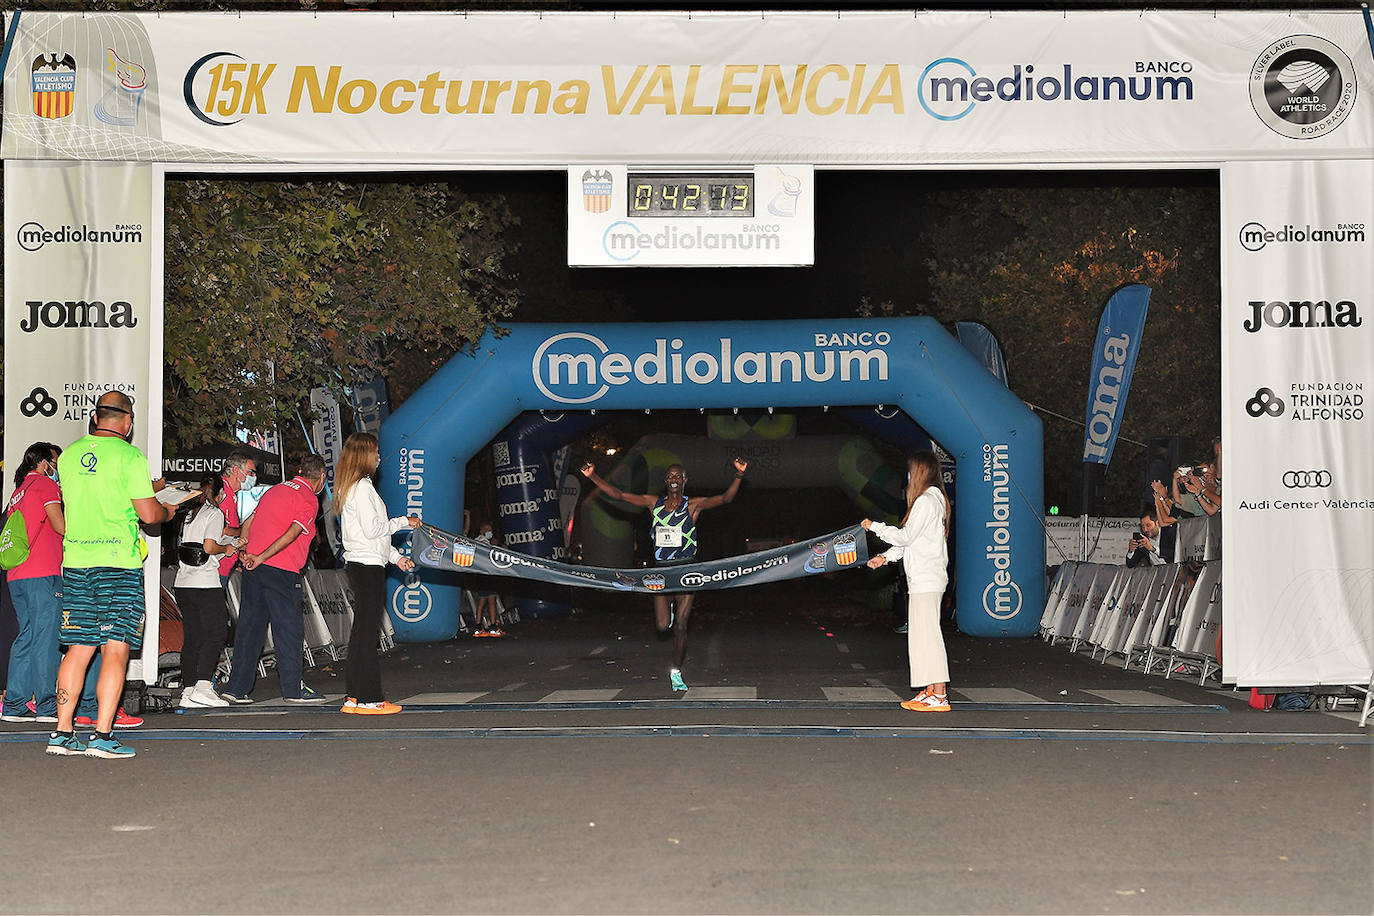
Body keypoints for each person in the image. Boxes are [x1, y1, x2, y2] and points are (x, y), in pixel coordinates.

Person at [50, 392, 181, 758]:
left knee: (77, 649)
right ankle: (102, 735)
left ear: (95, 418)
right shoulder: (130, 456)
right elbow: (149, 514)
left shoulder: (70, 455)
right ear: (127, 422)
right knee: (116, 649)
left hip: (76, 561)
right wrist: (167, 511)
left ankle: (62, 733)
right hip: (118, 565)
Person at [580, 456, 747, 692]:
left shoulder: (693, 505)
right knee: (661, 627)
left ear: (685, 480)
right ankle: (666, 610)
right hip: (661, 571)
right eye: (670, 477)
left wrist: (739, 475)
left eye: (678, 476)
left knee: (680, 626)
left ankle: (676, 671)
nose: (674, 480)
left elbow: (725, 498)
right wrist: (593, 476)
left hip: (687, 569)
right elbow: (619, 496)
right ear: (665, 481)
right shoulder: (653, 503)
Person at [220, 454, 330, 705]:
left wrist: (246, 551)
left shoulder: (275, 490)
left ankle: (236, 687)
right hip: (280, 568)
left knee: (251, 627)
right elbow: (293, 532)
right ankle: (293, 688)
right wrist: (261, 556)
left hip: (254, 569)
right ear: (321, 477)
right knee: (288, 628)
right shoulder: (308, 497)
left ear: (300, 471)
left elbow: (248, 520)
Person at [334, 433, 420, 715]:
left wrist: (396, 558)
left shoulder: (352, 487)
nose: (378, 457)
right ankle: (371, 698)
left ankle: (354, 696)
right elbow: (375, 530)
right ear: (365, 455)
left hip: (363, 562)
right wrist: (404, 522)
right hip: (367, 567)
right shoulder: (363, 488)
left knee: (361, 633)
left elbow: (369, 537)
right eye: (376, 452)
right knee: (368, 633)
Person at [862, 450, 952, 712]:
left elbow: (904, 537)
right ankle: (930, 690)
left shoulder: (926, 502)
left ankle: (940, 694)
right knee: (922, 636)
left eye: (911, 471)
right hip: (924, 577)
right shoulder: (931, 501)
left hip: (926, 578)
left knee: (929, 636)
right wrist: (884, 558)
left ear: (920, 472)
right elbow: (910, 542)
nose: (908, 476)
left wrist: (874, 526)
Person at [1, 443, 65, 725]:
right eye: (55, 463)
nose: (58, 469)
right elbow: (61, 525)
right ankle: (47, 705)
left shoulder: (18, 491)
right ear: (43, 462)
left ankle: (14, 703)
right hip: (43, 573)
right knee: (46, 639)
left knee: (25, 636)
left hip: (17, 574)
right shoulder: (45, 486)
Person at [174, 473, 240, 709]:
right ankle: (204, 686)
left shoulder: (189, 515)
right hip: (205, 583)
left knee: (192, 637)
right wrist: (227, 549)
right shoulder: (215, 513)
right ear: (221, 493)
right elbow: (209, 547)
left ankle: (189, 689)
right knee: (216, 633)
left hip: (183, 583)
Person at [217, 448, 257, 586]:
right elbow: (223, 530)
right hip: (215, 569)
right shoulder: (220, 492)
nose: (253, 476)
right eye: (250, 472)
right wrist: (242, 534)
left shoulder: (231, 495)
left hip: (223, 567)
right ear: (235, 470)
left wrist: (238, 548)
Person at [469, 517, 504, 637]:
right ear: (482, 531)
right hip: (486, 574)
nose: (491, 532)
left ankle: (478, 627)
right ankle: (493, 627)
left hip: (480, 574)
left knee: (482, 600)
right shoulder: (483, 542)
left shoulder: (477, 541)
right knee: (492, 600)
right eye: (488, 530)